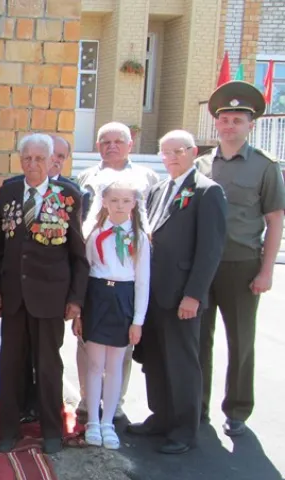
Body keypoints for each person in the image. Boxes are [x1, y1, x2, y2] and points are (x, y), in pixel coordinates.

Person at [0, 134, 88, 454]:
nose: (32, 164)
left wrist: (76, 299)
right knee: (11, 365)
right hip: (14, 296)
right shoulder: (9, 192)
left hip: (50, 296)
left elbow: (78, 255)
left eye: (39, 159)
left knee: (47, 366)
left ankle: (52, 432)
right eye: (26, 158)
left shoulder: (68, 194)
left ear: (51, 161)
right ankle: (7, 430)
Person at [126, 130, 227, 454]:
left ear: (193, 152)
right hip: (153, 294)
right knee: (154, 360)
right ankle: (161, 416)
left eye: (177, 151)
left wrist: (194, 295)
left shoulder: (207, 192)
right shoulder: (157, 189)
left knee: (182, 363)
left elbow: (210, 250)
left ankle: (185, 428)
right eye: (164, 152)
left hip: (182, 295)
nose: (170, 157)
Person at [194, 81, 285, 436]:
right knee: (199, 338)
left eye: (237, 120)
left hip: (242, 264)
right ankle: (196, 405)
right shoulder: (201, 164)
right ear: (216, 123)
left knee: (240, 340)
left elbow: (275, 220)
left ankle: (237, 410)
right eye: (225, 119)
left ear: (250, 125)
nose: (230, 126)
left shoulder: (265, 167)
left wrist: (266, 271)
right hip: (203, 266)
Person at [73, 122, 159, 420]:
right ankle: (87, 400)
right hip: (96, 269)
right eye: (104, 141)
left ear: (130, 144)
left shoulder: (146, 177)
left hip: (127, 270)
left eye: (117, 141)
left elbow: (150, 219)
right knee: (88, 347)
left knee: (120, 351)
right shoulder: (86, 177)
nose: (111, 146)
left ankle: (115, 403)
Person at [74, 173, 151, 450]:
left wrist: (138, 321)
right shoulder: (94, 235)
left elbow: (143, 283)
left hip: (123, 300)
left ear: (134, 204)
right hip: (97, 298)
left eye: (126, 201)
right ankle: (92, 420)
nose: (120, 205)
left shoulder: (140, 238)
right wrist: (80, 312)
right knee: (94, 365)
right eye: (114, 200)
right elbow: (85, 274)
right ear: (104, 202)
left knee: (115, 364)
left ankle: (108, 421)